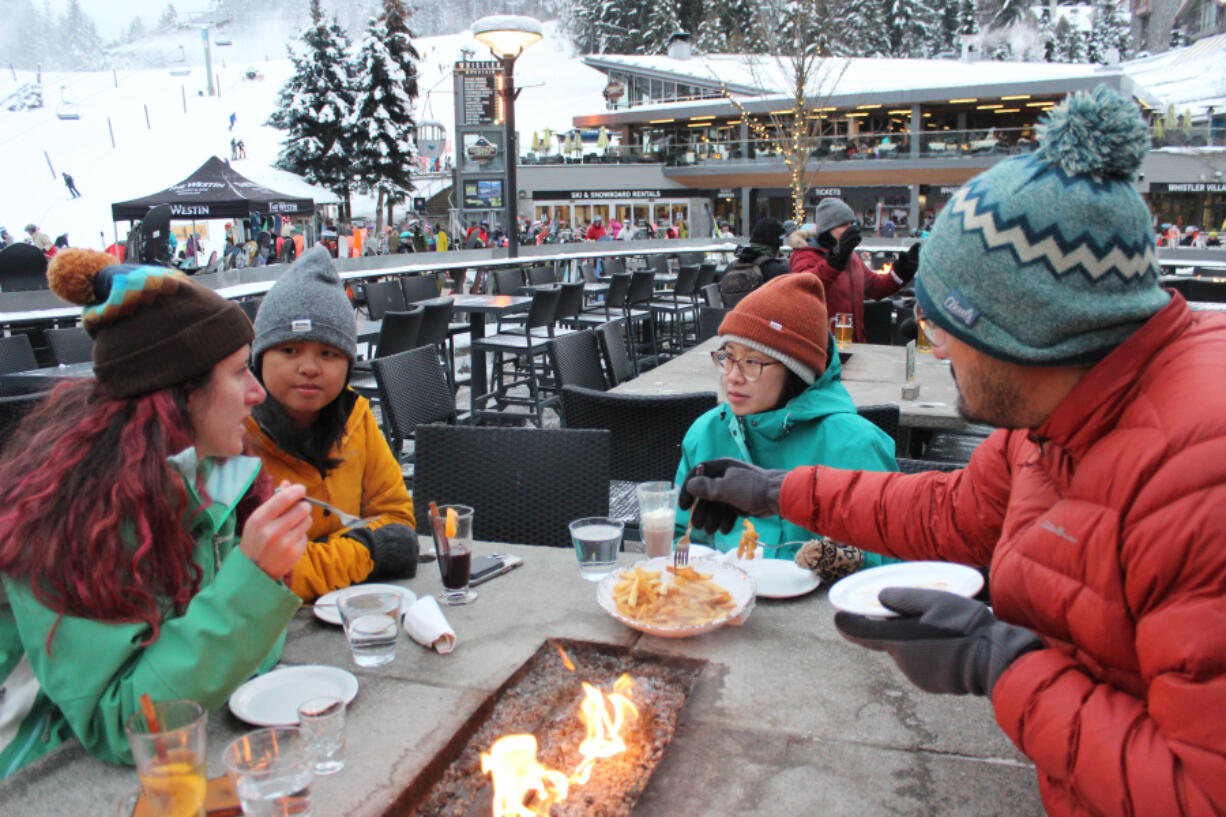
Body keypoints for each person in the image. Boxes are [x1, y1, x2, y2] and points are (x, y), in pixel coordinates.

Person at [678, 87, 1226, 816]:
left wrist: (1003, 665)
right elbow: (955, 513)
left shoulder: (1199, 478)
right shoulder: (1054, 412)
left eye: (941, 327)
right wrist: (775, 490)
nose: (929, 346)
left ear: (1026, 331)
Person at [0, 249, 311, 777]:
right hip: (44, 771)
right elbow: (126, 726)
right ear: (179, 395)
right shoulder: (73, 518)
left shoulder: (212, 480)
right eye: (240, 372)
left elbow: (240, 663)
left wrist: (260, 577)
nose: (258, 393)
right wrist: (253, 580)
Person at [674, 274, 898, 575]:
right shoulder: (707, 433)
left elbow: (895, 564)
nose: (733, 377)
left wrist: (845, 563)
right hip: (724, 608)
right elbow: (681, 537)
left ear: (796, 373)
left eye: (752, 362)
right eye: (728, 358)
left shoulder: (856, 446)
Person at [244, 247, 418, 603]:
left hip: (357, 618)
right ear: (259, 360)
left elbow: (398, 522)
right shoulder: (232, 437)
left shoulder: (356, 417)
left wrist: (317, 556)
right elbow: (259, 576)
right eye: (289, 351)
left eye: (328, 353)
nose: (309, 367)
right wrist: (367, 550)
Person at [787, 199, 916, 343]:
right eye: (843, 225)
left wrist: (900, 274)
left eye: (851, 224)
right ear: (827, 228)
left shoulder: (852, 258)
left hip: (853, 344)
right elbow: (805, 288)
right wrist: (834, 261)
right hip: (822, 347)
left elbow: (874, 287)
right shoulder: (805, 255)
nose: (849, 229)